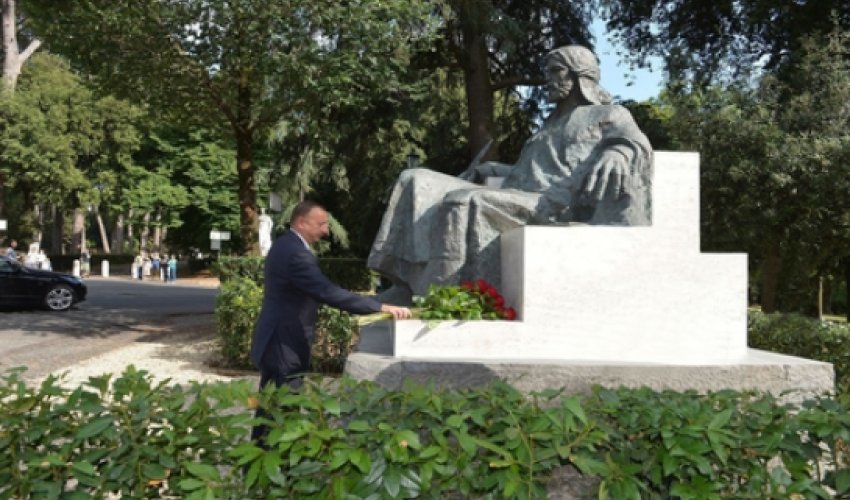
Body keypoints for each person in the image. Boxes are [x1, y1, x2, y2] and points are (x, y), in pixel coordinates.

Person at [368, 45, 653, 302]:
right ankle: (404, 283)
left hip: (552, 203)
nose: (547, 80)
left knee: (463, 201)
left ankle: (445, 294)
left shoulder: (610, 113)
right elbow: (530, 170)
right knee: (414, 179)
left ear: (580, 76)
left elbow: (634, 142)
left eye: (556, 71)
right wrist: (492, 169)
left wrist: (618, 153)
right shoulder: (550, 123)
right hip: (517, 194)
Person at [249, 200, 411, 445]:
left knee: (269, 410)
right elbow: (327, 292)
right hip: (285, 344)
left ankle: (257, 466)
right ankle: (280, 473)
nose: (326, 230)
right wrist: (379, 306)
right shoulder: (296, 254)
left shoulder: (285, 245)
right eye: (321, 224)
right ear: (302, 223)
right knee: (283, 412)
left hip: (275, 340)